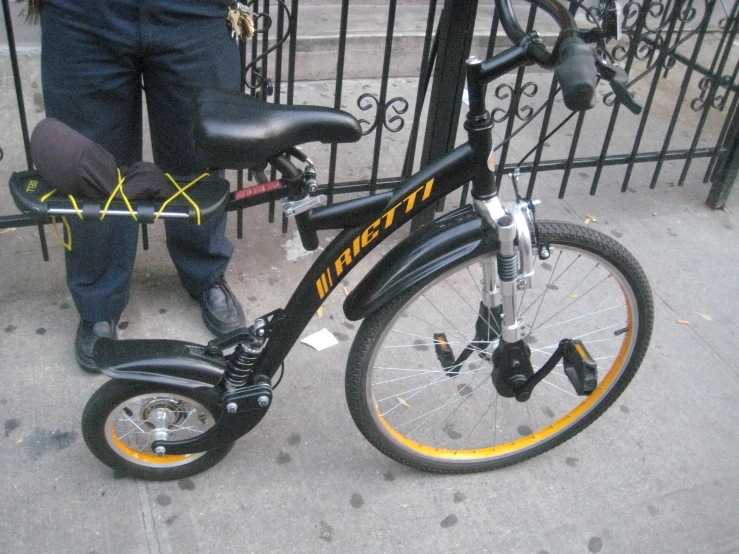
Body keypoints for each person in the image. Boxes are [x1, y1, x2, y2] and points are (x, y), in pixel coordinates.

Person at [37, 0, 246, 371]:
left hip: (193, 14)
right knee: (91, 170)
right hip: (83, 15)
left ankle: (206, 274)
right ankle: (99, 303)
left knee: (199, 156)